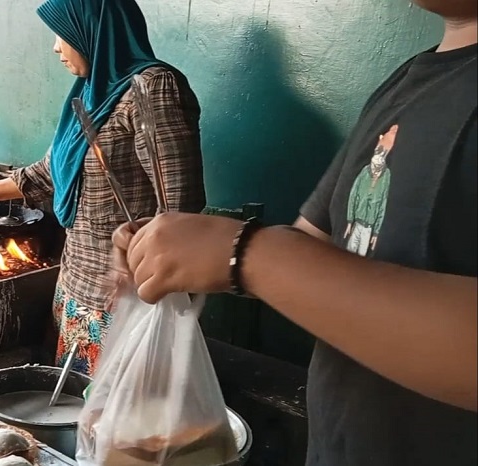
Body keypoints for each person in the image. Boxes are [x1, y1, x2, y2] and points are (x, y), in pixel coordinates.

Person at [112, 0, 477, 464]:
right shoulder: (407, 83)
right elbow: (312, 245)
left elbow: (273, 257)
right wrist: (187, 249)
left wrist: (247, 254)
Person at [0, 0, 206, 376]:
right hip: (77, 285)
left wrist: (140, 272)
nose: (55, 47)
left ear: (92, 31)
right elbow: (48, 173)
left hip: (126, 295)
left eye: (62, 34)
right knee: (75, 405)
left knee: (120, 415)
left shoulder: (152, 88)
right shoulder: (89, 95)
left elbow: (180, 203)